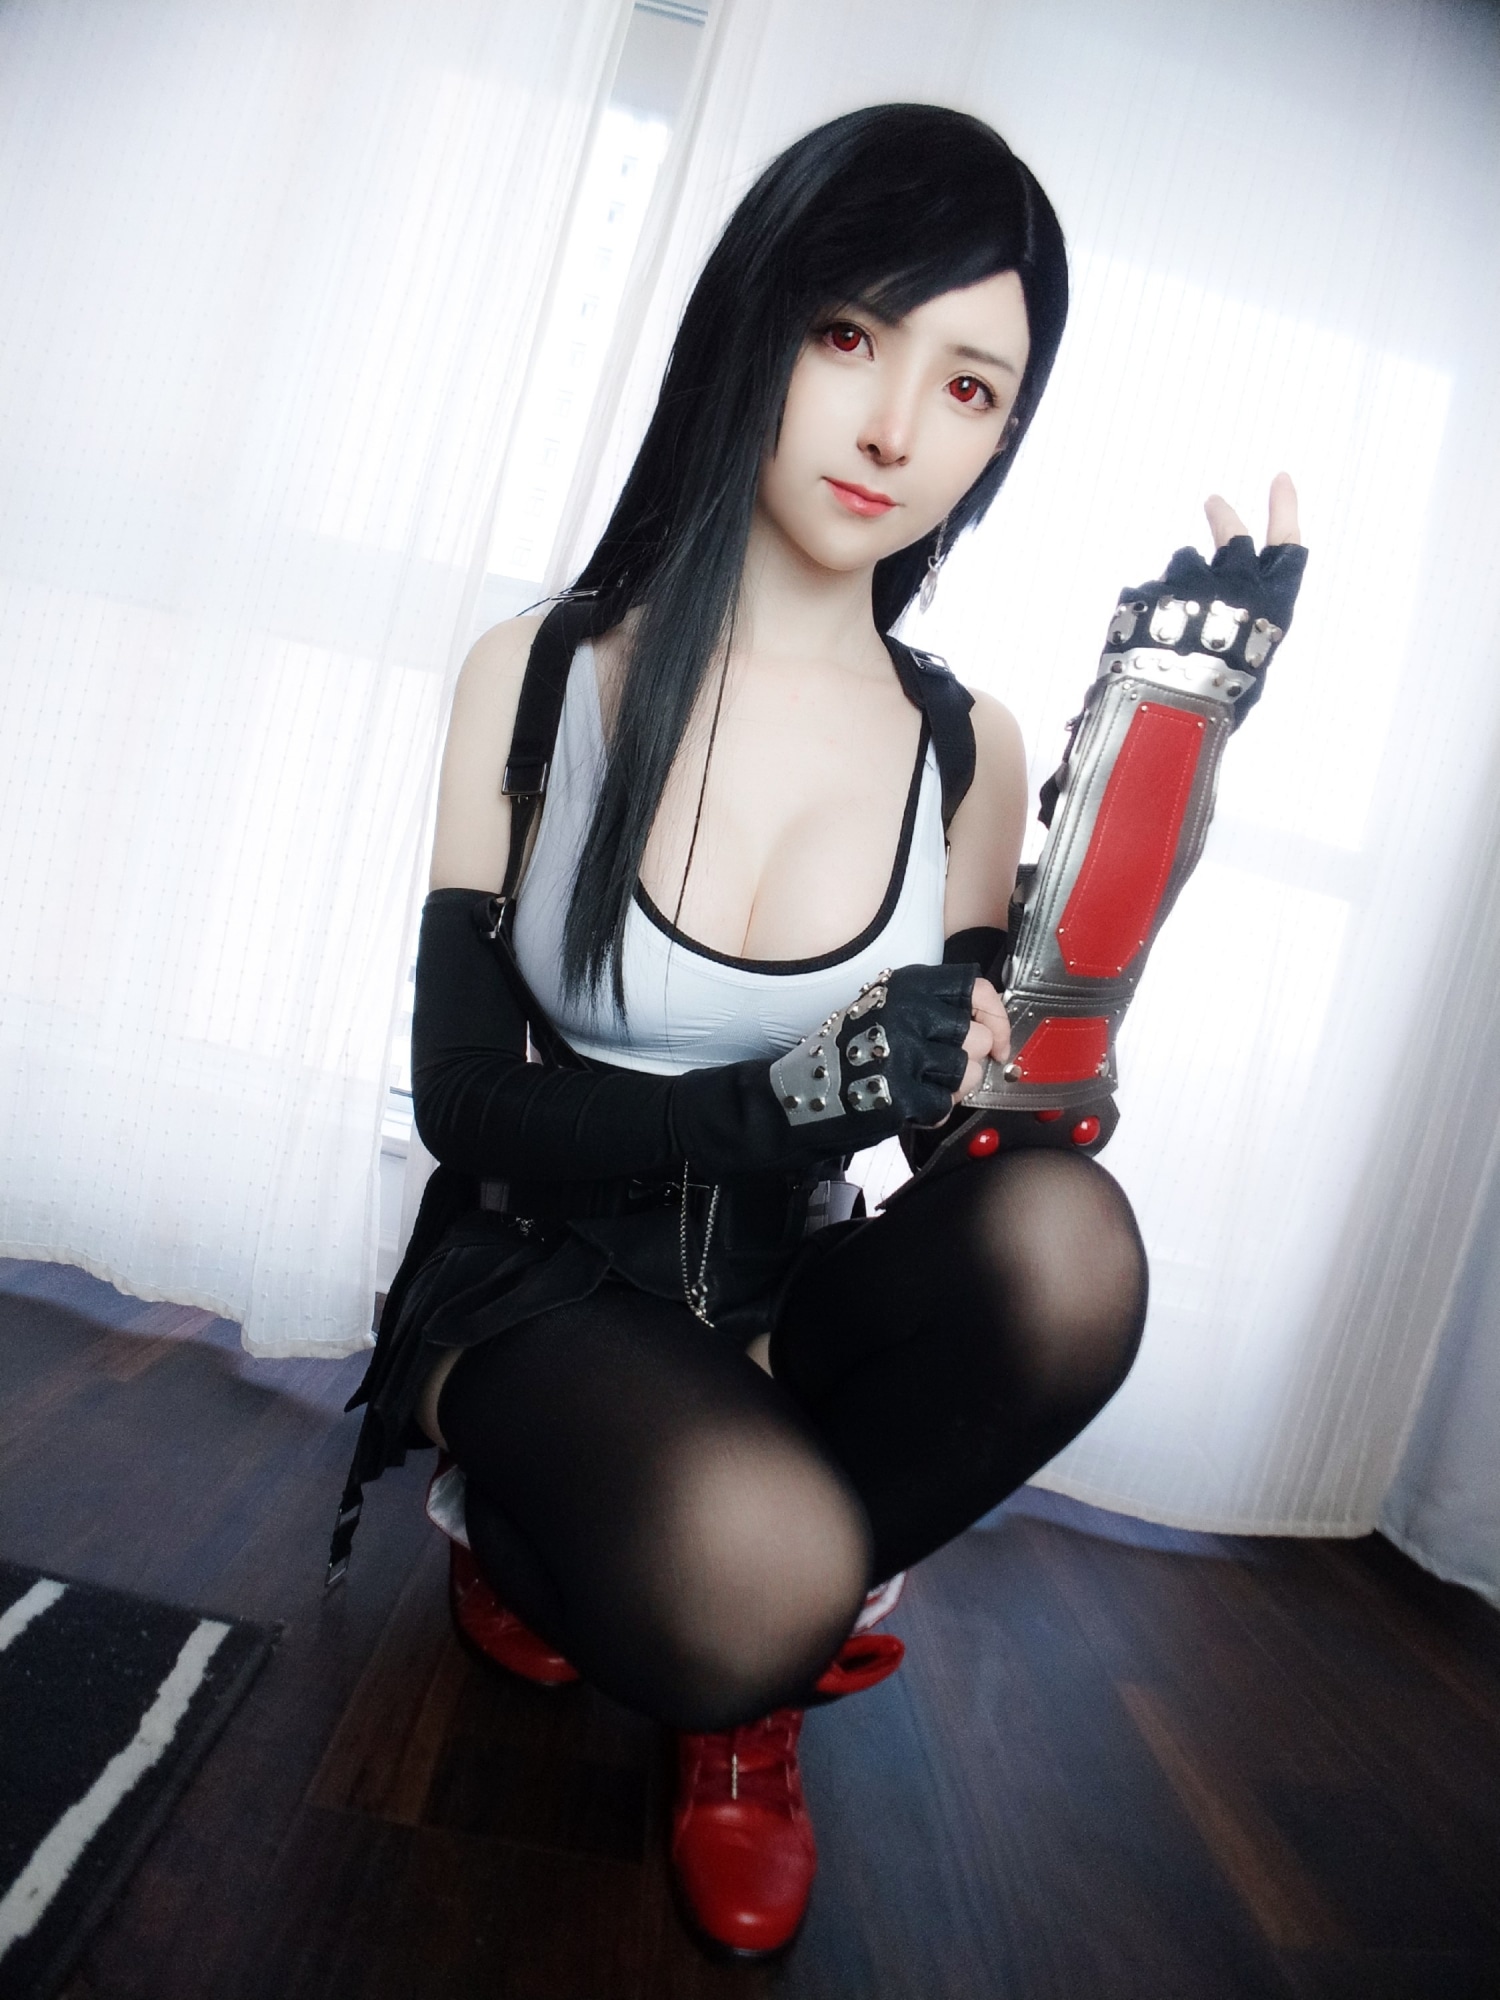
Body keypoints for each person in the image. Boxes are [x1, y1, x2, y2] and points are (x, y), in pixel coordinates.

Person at [334, 102, 1300, 1959]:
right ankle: (546, 1528)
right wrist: (766, 1105)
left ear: (1001, 436)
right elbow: (462, 1102)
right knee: (757, 1566)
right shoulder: (543, 677)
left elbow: (969, 1143)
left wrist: (1147, 791)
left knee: (1070, 1247)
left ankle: (748, 1681)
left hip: (781, 1290)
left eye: (969, 386)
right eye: (853, 334)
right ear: (755, 322)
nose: (893, 428)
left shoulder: (966, 746)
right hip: (536, 1277)